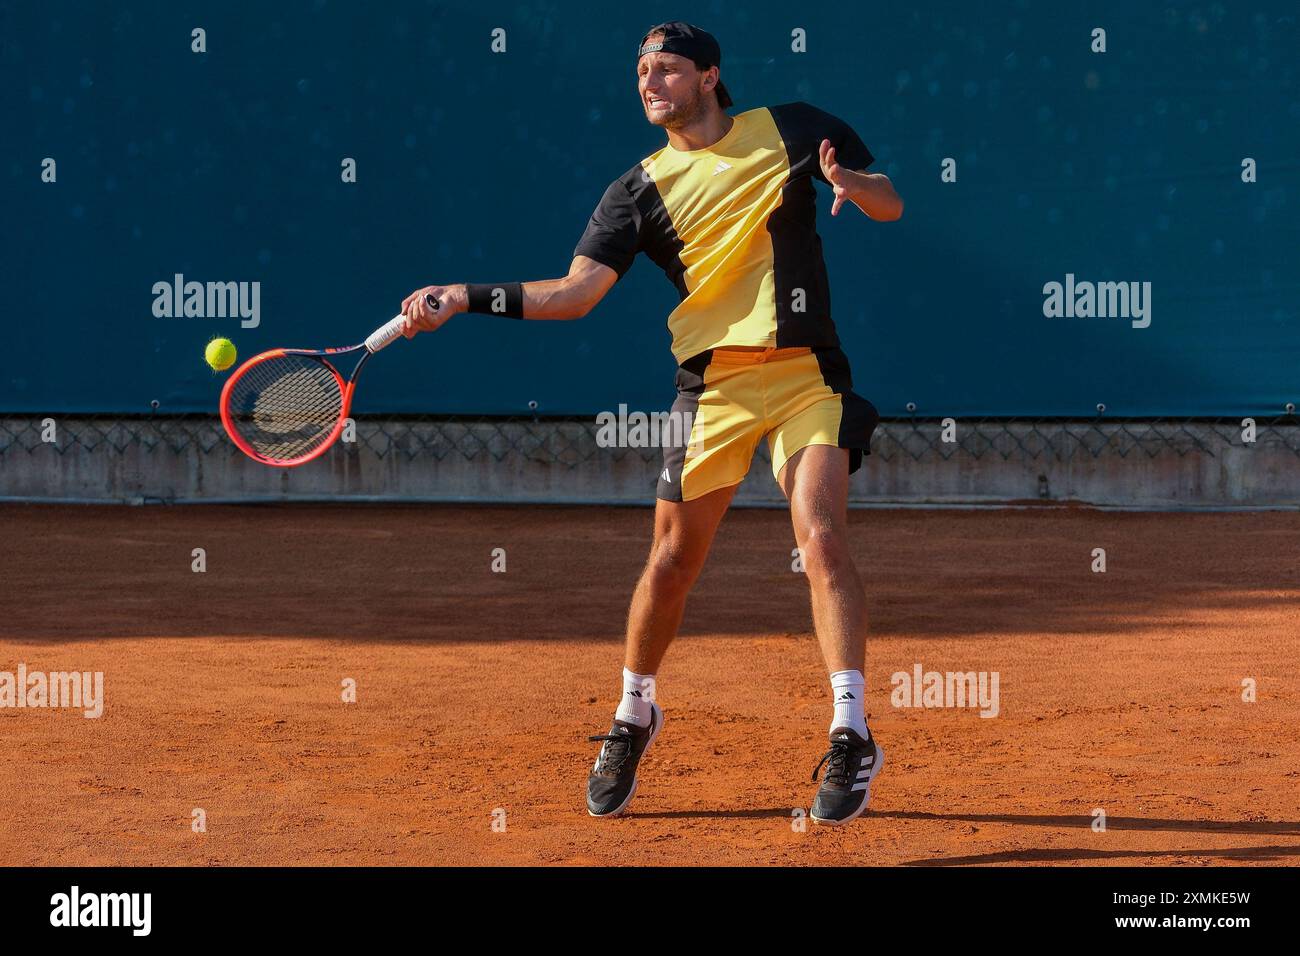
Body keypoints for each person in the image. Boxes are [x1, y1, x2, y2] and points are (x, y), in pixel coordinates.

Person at [398, 21, 903, 825]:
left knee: (823, 538)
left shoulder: (797, 129)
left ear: (710, 76)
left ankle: (850, 732)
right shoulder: (636, 190)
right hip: (712, 390)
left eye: (666, 69)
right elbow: (574, 294)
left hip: (807, 373)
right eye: (641, 72)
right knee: (671, 561)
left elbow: (889, 203)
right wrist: (464, 296)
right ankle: (634, 714)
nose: (649, 82)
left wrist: (853, 185)